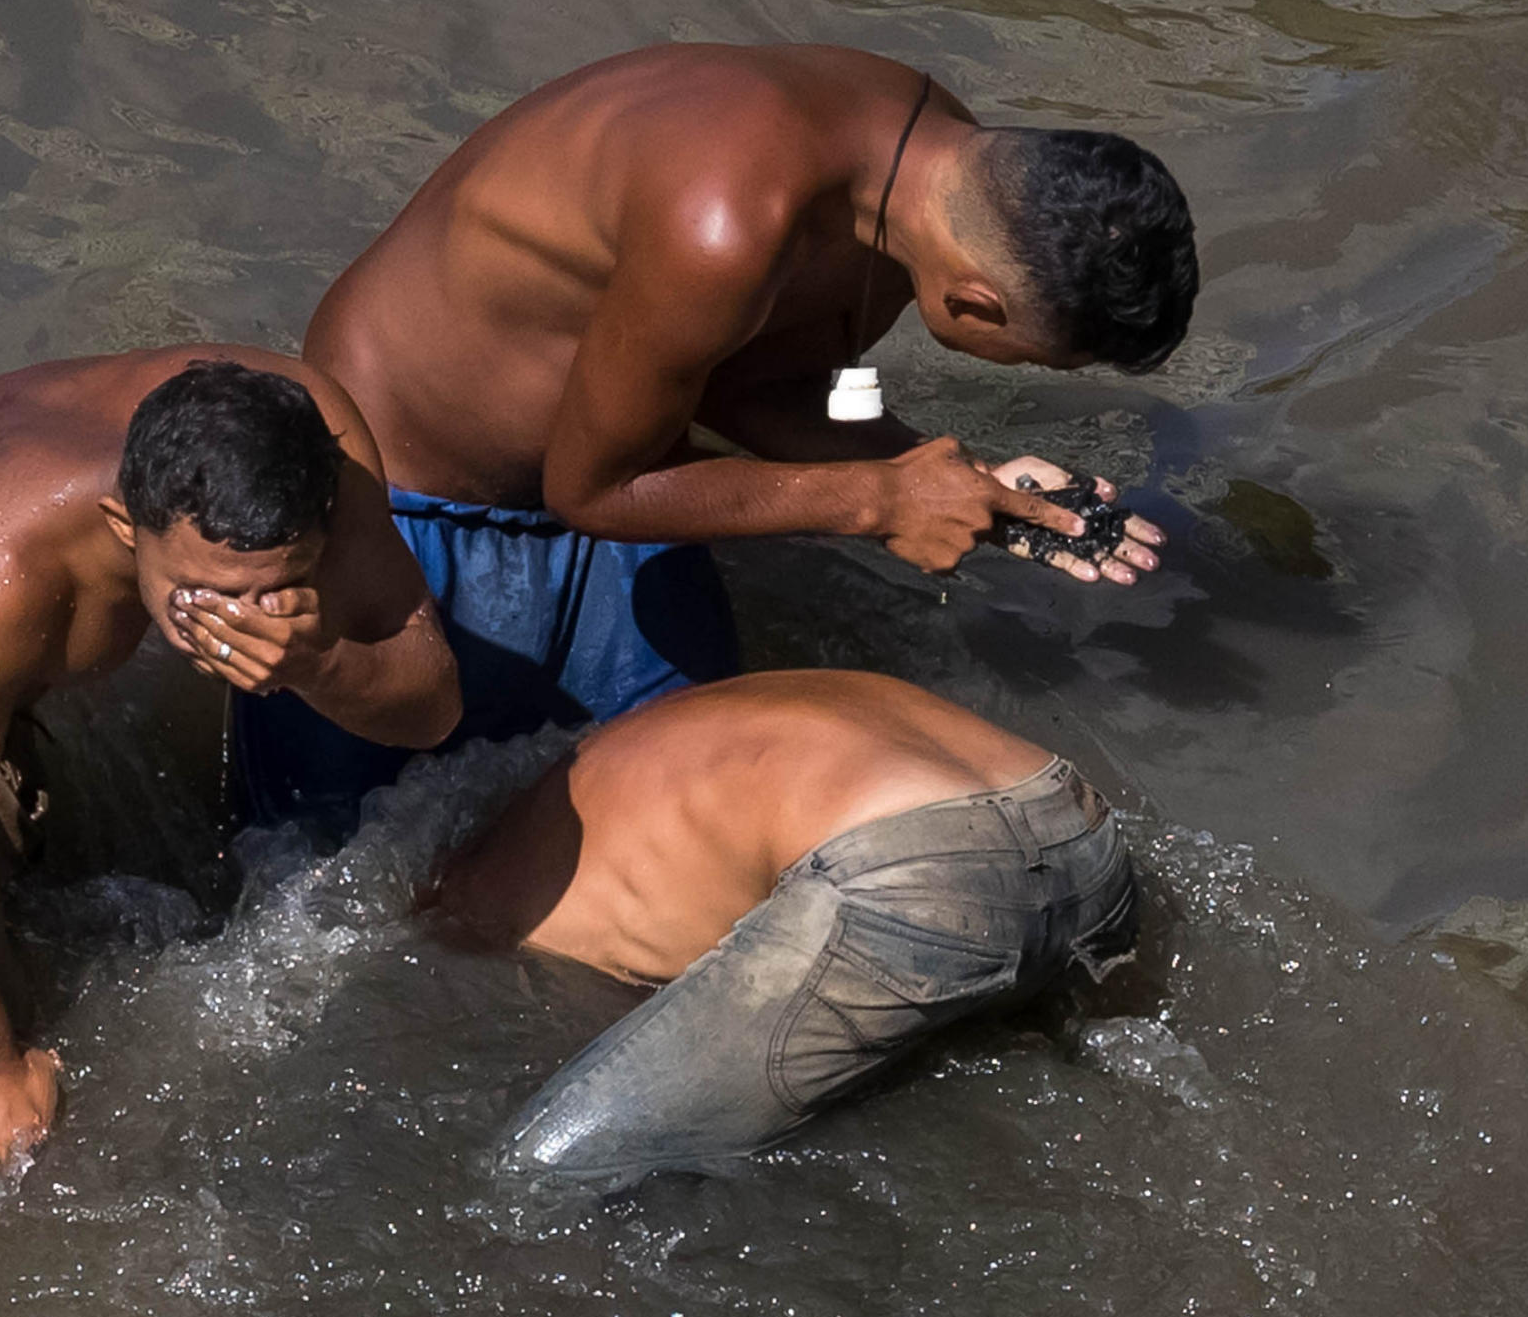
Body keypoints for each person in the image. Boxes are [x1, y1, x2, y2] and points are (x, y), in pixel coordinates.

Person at [238, 43, 1196, 829]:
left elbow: (743, 379)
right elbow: (596, 488)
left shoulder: (930, 150)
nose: (1021, 373)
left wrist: (955, 477)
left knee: (690, 810)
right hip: (398, 493)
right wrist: (880, 499)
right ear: (975, 302)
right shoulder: (724, 227)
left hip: (608, 470)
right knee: (327, 872)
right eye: (1031, 362)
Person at [0, 352, 459, 1169]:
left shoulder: (316, 440)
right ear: (121, 526)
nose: (249, 621)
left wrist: (319, 661)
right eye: (207, 596)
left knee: (172, 902)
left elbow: (432, 704)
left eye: (281, 588)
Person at [421, 670, 1143, 1190]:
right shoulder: (638, 747)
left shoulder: (476, 897)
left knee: (533, 1174)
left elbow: (655, 1013)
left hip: (909, 868)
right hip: (1078, 824)